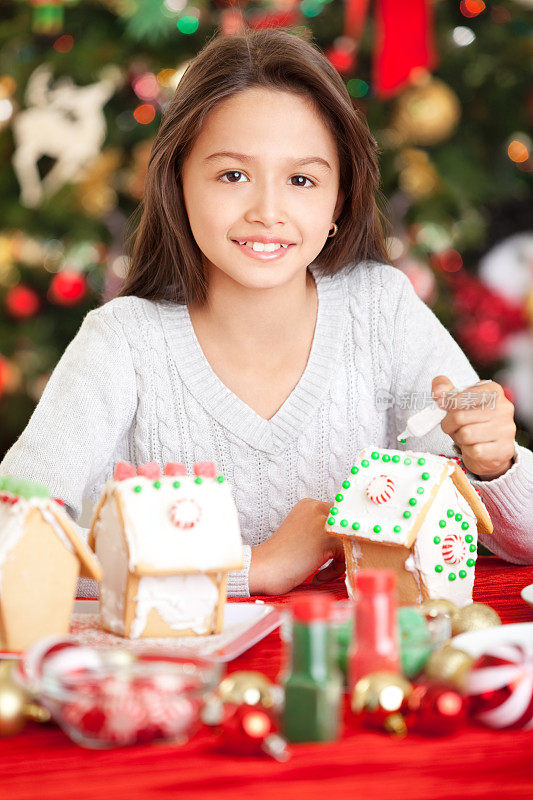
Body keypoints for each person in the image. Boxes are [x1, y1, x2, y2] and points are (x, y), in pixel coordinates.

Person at [1, 29, 532, 599]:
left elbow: (514, 541)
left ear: (339, 200)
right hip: (178, 681)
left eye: (302, 180)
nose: (268, 212)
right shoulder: (121, 343)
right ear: (178, 183)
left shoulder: (381, 311)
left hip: (358, 672)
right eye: (233, 175)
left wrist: (494, 465)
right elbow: (13, 540)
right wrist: (253, 567)